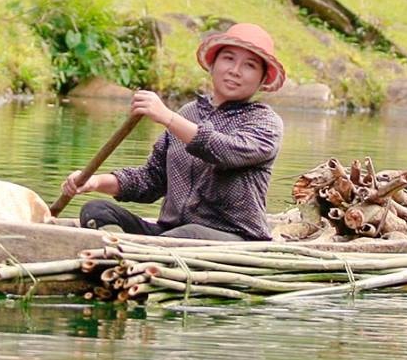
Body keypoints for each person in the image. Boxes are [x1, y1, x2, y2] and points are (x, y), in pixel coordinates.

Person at [61, 22, 286, 242]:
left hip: (231, 237)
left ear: (262, 79)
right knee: (96, 210)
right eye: (228, 59)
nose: (235, 71)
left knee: (188, 234)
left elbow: (226, 150)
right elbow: (151, 179)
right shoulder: (188, 113)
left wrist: (167, 117)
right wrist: (95, 182)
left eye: (250, 65)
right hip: (169, 233)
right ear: (213, 64)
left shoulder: (265, 122)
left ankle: (132, 255)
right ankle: (119, 254)